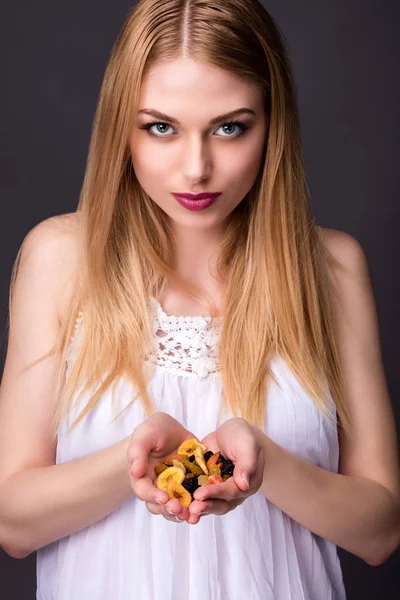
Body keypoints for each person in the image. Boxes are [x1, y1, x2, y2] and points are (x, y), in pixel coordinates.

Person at [0, 0, 399, 598]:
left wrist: (266, 465)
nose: (196, 168)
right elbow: (12, 523)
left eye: (230, 127)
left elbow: (380, 532)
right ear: (121, 127)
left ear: (273, 124)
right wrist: (133, 462)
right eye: (161, 127)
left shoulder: (332, 269)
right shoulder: (60, 259)